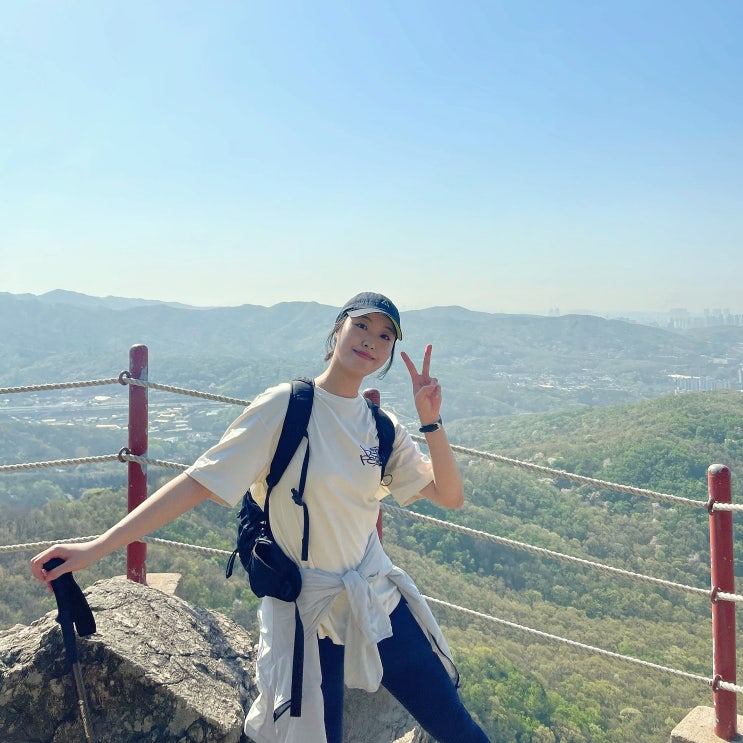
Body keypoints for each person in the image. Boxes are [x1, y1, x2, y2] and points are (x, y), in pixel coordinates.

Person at [31, 291, 490, 743]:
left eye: (386, 335)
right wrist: (96, 548)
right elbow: (197, 482)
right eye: (362, 325)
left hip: (374, 598)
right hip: (308, 610)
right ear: (338, 330)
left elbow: (449, 496)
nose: (372, 339)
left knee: (458, 728)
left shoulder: (381, 426)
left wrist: (431, 421)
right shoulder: (286, 406)